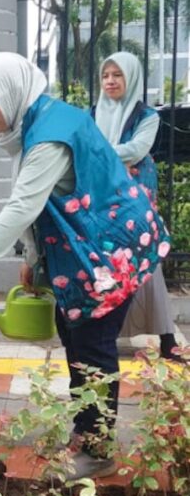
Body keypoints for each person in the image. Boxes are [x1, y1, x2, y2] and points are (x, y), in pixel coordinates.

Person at [0, 52, 170, 480]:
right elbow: (35, 199)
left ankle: (96, 450)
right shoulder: (36, 122)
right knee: (72, 332)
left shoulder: (51, 135)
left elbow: (23, 204)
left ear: (10, 92)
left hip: (107, 249)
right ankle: (86, 431)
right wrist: (33, 259)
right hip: (85, 249)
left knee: (91, 345)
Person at [94, 52, 179, 360]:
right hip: (100, 198)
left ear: (131, 78)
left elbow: (136, 150)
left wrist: (97, 153)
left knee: (146, 259)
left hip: (134, 199)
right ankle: (107, 335)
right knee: (107, 263)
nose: (111, 81)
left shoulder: (147, 116)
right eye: (105, 76)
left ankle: (167, 337)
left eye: (117, 75)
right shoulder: (93, 115)